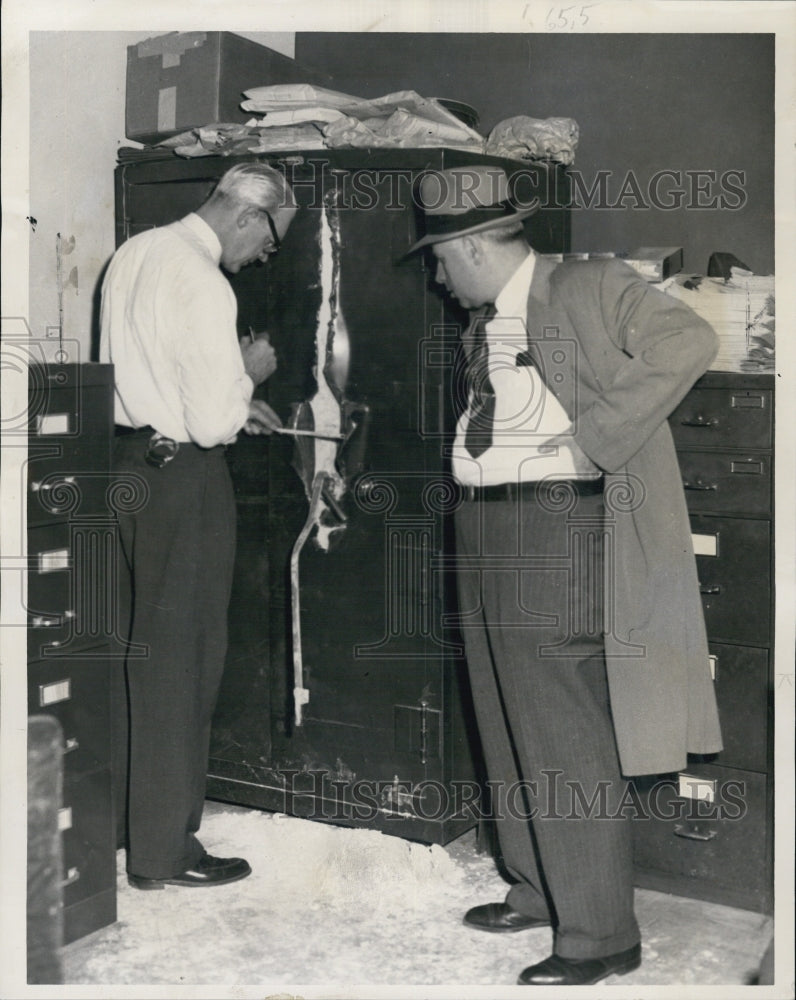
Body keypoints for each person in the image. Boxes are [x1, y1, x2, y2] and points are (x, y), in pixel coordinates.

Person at [407, 165, 722, 985]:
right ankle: (537, 889)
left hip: (552, 527)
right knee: (502, 716)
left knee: (561, 732)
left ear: (473, 244)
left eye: (440, 258)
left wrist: (594, 440)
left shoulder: (587, 282)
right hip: (483, 526)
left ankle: (599, 933)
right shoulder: (487, 318)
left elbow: (690, 340)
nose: (437, 276)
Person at [100, 162, 297, 889]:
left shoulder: (136, 252)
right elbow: (211, 423)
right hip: (184, 481)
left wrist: (223, 397)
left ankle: (127, 830)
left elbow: (148, 373)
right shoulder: (207, 282)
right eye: (270, 242)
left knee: (133, 654)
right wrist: (249, 376)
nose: (263, 256)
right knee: (181, 664)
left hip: (125, 469)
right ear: (249, 217)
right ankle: (164, 853)